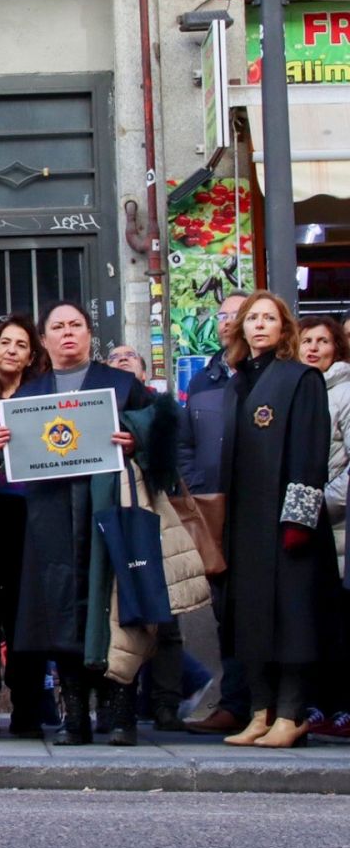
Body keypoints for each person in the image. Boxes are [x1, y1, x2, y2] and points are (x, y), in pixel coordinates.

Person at [0, 301, 156, 746]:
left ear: (89, 335)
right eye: (57, 327)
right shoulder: (27, 396)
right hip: (50, 517)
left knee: (116, 608)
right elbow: (6, 465)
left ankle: (121, 715)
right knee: (60, 610)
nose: (67, 333)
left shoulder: (122, 385)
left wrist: (136, 438)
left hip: (109, 511)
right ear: (44, 341)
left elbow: (162, 436)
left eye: (76, 326)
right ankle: (75, 716)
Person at [219, 292, 338, 748]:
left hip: (288, 525)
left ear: (284, 327)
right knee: (251, 620)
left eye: (270, 318)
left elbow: (312, 456)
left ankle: (291, 714)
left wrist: (300, 521)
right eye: (253, 318)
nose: (260, 325)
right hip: (245, 523)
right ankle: (260, 712)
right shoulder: (238, 382)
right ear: (242, 328)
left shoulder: (299, 378)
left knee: (292, 621)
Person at [179, 291, 253, 735]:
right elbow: (186, 441)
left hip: (257, 508)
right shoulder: (206, 378)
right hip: (212, 509)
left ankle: (268, 705)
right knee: (224, 608)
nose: (229, 322)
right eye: (223, 314)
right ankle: (234, 701)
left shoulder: (266, 376)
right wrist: (200, 490)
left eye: (239, 315)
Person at [0, 314, 49, 738]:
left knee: (27, 615)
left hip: (30, 512)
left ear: (30, 357)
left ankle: (28, 711)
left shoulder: (41, 395)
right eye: (5, 342)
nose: (11, 350)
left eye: (21, 345)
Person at [300, 315, 350, 738]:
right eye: (306, 340)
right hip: (306, 530)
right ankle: (316, 704)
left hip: (335, 528)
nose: (314, 348)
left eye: (323, 340)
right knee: (311, 622)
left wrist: (315, 506)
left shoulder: (345, 392)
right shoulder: (298, 390)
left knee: (340, 625)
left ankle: (342, 708)